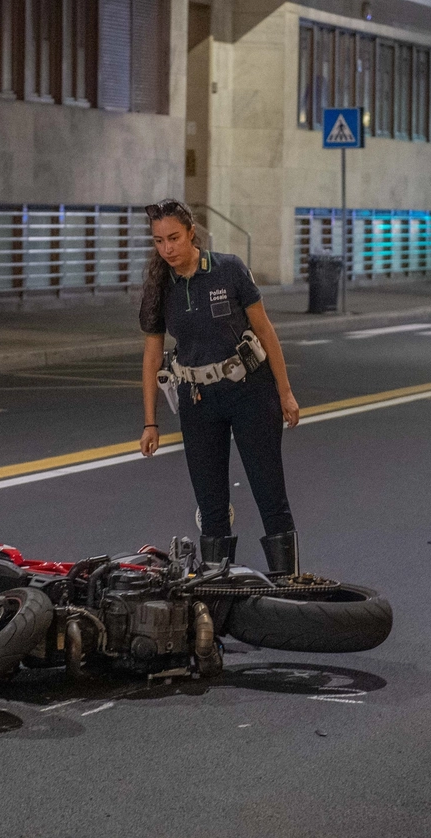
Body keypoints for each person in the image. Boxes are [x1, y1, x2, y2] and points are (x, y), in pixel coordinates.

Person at [137, 199, 302, 576]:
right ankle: (216, 594)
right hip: (197, 400)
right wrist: (150, 422)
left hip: (251, 392)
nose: (168, 249)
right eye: (159, 241)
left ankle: (289, 584)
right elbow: (151, 357)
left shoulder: (228, 270)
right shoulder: (159, 288)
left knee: (268, 492)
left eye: (174, 238)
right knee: (211, 505)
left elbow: (265, 331)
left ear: (192, 232)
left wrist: (285, 392)